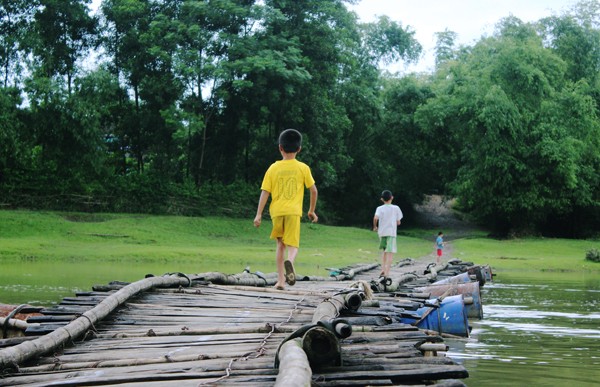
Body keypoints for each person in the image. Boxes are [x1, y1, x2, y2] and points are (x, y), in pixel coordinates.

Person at [254, 129, 318, 290]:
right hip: (293, 212)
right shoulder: (303, 168)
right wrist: (311, 210)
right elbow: (314, 190)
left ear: (280, 148)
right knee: (293, 245)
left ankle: (281, 281)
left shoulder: (273, 168)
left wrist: (259, 214)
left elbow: (265, 192)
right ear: (299, 149)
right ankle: (291, 261)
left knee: (280, 245)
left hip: (277, 212)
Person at [373, 190, 403, 278]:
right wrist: (397, 222)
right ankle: (387, 273)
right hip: (391, 233)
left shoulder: (379, 208)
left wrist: (375, 226)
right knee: (390, 252)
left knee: (384, 251)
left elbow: (375, 218)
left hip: (382, 232)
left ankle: (382, 269)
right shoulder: (396, 208)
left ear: (382, 199)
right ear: (392, 197)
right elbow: (398, 221)